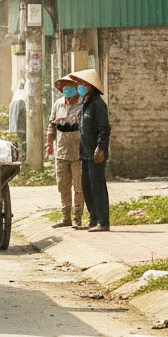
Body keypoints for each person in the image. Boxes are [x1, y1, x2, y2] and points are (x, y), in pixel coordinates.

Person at [55, 68, 111, 232]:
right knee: (87, 187)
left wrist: (101, 147)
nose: (79, 86)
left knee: (97, 186)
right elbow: (78, 126)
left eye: (82, 84)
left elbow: (104, 128)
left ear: (91, 86)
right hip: (84, 152)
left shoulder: (98, 104)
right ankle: (93, 220)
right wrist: (60, 126)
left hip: (96, 153)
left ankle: (103, 221)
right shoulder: (84, 104)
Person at [47, 75, 85, 229]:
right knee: (63, 187)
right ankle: (66, 218)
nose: (66, 90)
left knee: (78, 187)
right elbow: (51, 125)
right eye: (64, 87)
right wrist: (49, 143)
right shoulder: (58, 104)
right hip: (61, 152)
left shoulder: (82, 105)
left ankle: (78, 218)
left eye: (70, 87)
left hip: (78, 153)